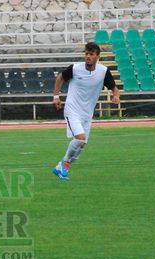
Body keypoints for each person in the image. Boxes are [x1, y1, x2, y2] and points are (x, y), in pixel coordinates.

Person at [51, 42, 120, 180]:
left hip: (87, 114)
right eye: (86, 54)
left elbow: (114, 87)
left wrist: (116, 95)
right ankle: (64, 165)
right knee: (80, 138)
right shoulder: (75, 68)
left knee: (80, 147)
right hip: (72, 110)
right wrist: (56, 96)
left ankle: (61, 167)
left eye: (91, 54)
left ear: (97, 57)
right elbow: (60, 78)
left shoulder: (103, 72)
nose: (88, 57)